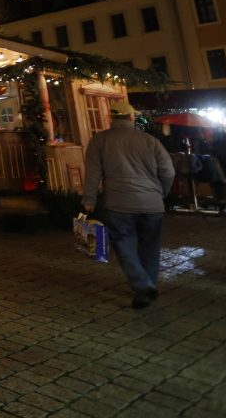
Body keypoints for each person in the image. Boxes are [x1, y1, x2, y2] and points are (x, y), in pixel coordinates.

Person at [81, 102, 175, 308]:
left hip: (119, 203)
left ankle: (142, 285)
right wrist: (161, 193)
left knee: (124, 246)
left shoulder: (100, 141)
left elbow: (92, 174)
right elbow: (168, 171)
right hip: (152, 205)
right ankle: (146, 287)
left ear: (111, 119)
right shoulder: (150, 141)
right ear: (132, 118)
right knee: (150, 248)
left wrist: (89, 200)